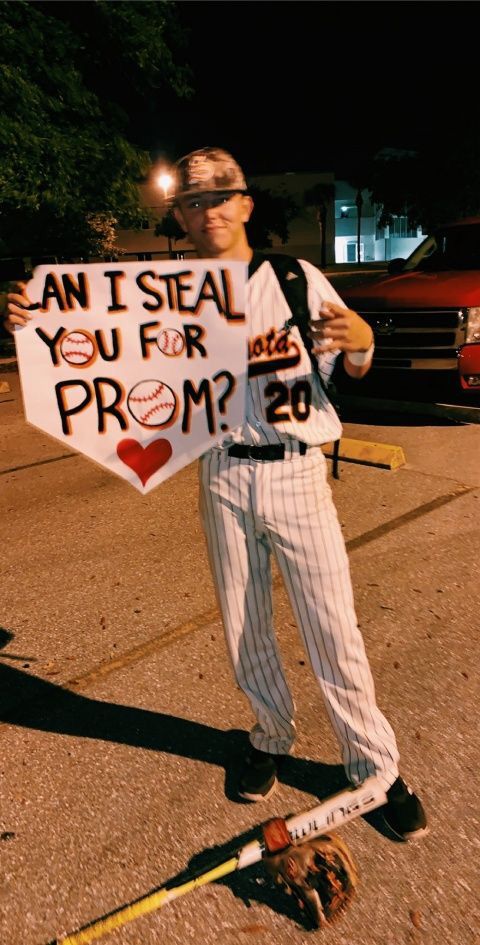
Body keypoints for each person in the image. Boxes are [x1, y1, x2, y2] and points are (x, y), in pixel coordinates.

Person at [4, 147, 427, 842]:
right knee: (243, 623)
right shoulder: (166, 296)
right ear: (180, 215)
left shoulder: (294, 278)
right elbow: (97, 348)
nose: (208, 212)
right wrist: (34, 319)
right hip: (221, 473)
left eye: (220, 196)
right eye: (192, 202)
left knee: (333, 629)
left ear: (247, 203)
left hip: (295, 470)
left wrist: (361, 341)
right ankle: (270, 734)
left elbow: (347, 362)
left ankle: (373, 765)